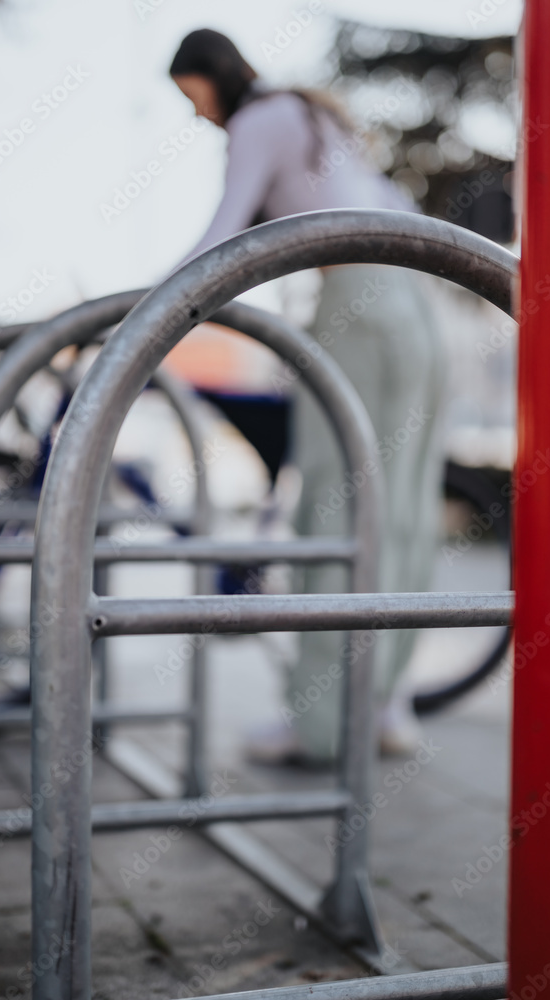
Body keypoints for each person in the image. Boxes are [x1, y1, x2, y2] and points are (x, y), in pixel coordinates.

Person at [169, 29, 446, 760]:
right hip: (416, 307)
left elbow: (224, 236)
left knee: (336, 504)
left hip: (359, 306)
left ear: (208, 76)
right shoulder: (315, 117)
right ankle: (385, 706)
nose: (194, 115)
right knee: (401, 510)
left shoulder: (258, 121)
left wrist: (144, 313)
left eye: (188, 95)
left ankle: (322, 726)